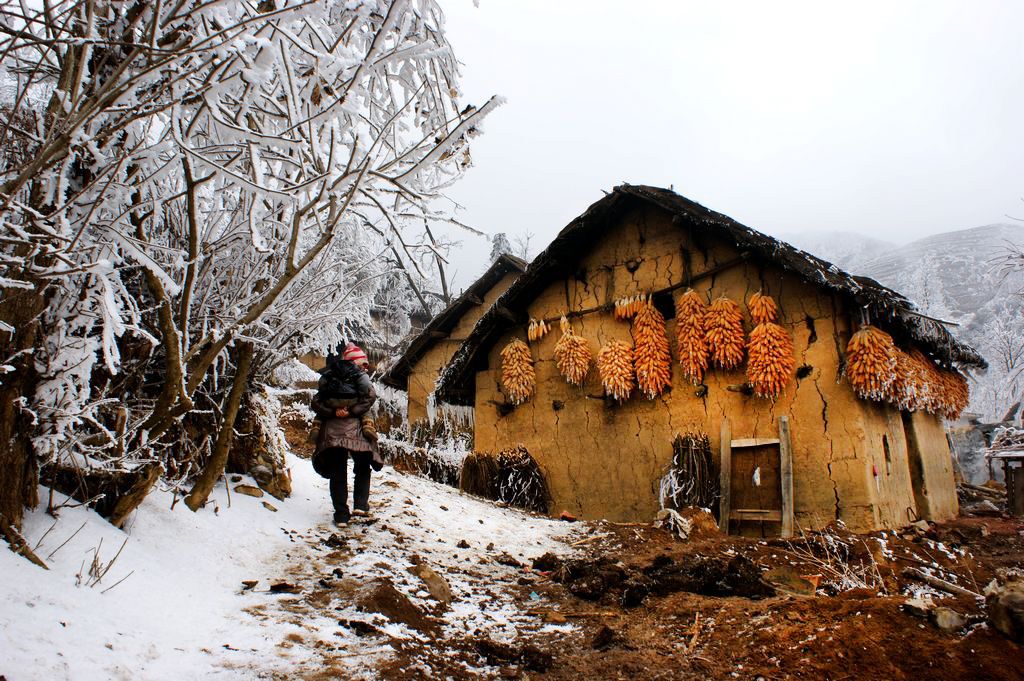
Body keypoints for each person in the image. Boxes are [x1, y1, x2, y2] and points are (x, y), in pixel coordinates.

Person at [311, 343, 383, 525]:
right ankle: (360, 504)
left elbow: (317, 401)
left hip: (332, 430)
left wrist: (333, 413)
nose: (365, 367)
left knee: (337, 470)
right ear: (354, 362)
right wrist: (352, 412)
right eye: (363, 363)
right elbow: (370, 398)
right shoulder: (361, 378)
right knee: (363, 466)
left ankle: (341, 514)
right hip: (357, 429)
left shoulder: (329, 376)